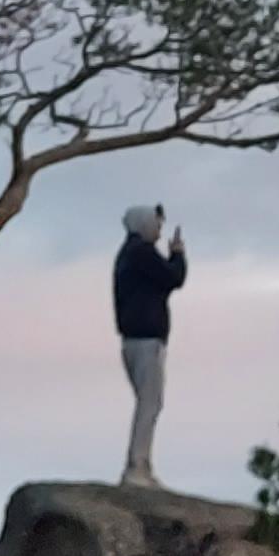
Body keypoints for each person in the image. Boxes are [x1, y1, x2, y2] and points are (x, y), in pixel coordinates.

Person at [113, 203, 189, 487]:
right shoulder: (141, 253)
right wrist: (178, 254)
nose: (159, 228)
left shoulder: (128, 254)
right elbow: (173, 278)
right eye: (156, 223)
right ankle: (137, 467)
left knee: (149, 403)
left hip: (133, 339)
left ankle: (142, 464)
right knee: (150, 403)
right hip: (146, 340)